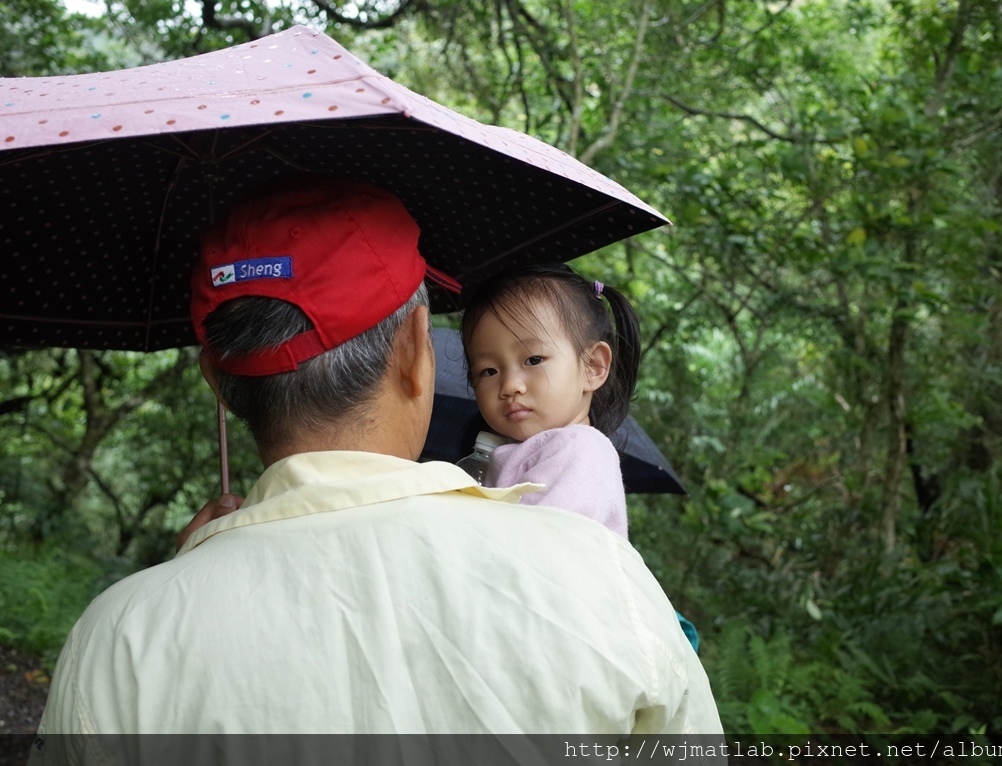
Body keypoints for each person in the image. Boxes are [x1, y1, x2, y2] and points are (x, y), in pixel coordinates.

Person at [33, 178, 722, 744]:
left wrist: (179, 586)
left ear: (217, 380)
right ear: (419, 350)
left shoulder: (118, 637)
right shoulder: (601, 576)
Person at [460, 264, 639, 539]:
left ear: (592, 366)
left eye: (533, 360)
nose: (509, 386)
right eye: (489, 371)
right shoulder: (513, 452)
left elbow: (537, 552)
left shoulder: (580, 451)